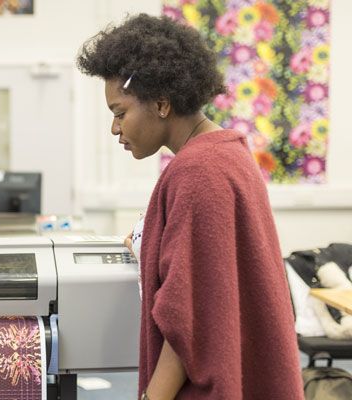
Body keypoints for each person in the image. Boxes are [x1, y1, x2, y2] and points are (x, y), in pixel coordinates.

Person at [76, 14, 303, 399]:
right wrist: (147, 244)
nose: (115, 129)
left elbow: (187, 319)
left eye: (119, 113)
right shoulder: (224, 154)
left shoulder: (198, 172)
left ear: (161, 104)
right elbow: (206, 265)